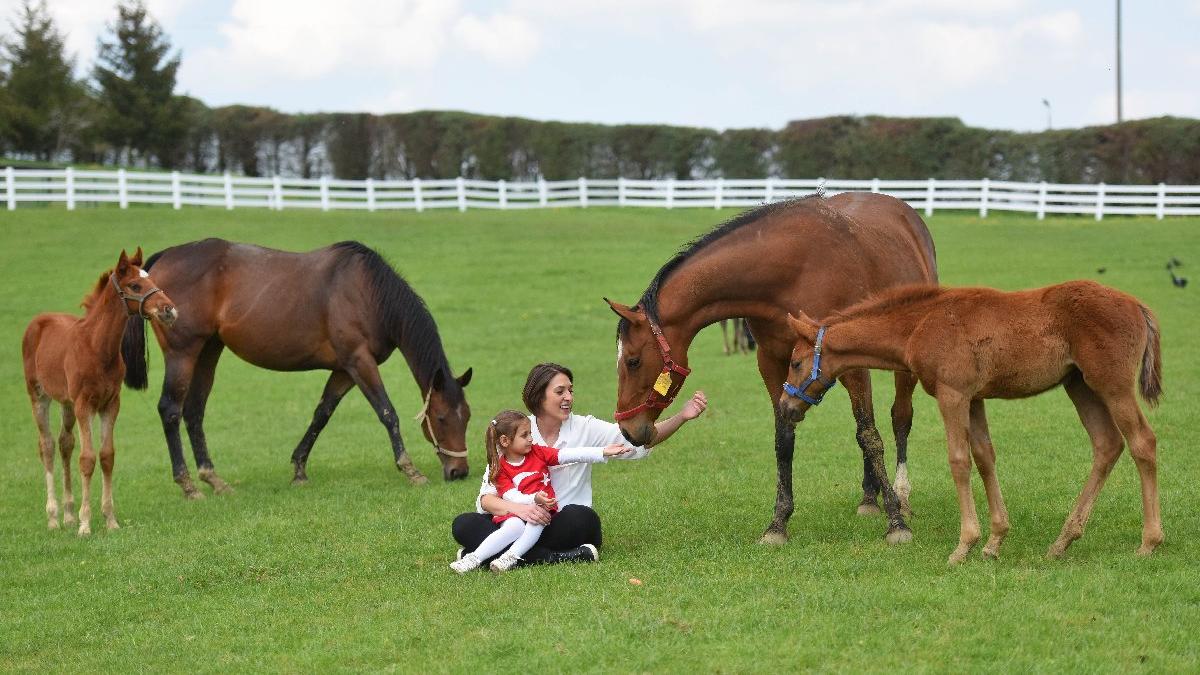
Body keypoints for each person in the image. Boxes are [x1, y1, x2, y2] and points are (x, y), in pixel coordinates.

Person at [451, 362, 707, 566]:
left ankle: (485, 555)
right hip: (516, 523)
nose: (568, 397)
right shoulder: (514, 433)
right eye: (560, 391)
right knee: (464, 524)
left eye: (570, 391)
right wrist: (521, 510)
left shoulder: (586, 427)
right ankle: (558, 557)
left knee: (582, 518)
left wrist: (682, 417)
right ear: (538, 396)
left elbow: (639, 442)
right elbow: (486, 499)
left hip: (561, 524)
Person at [450, 410, 631, 573]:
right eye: (525, 435)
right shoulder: (499, 467)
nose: (531, 438)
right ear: (505, 441)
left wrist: (602, 451)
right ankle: (477, 558)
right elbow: (509, 495)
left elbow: (567, 455)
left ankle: (504, 556)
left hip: (543, 515)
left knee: (547, 520)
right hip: (515, 514)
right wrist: (532, 500)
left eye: (530, 433)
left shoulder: (538, 452)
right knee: (496, 526)